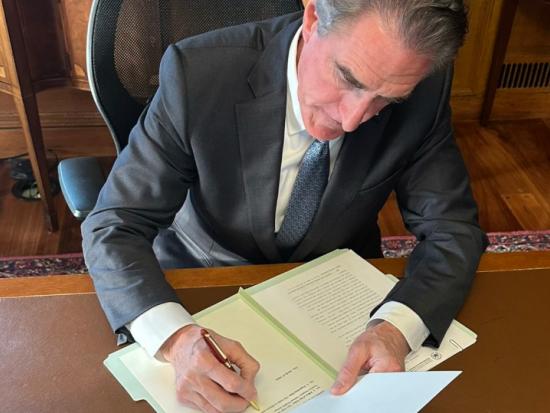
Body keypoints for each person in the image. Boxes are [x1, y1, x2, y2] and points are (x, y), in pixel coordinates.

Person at [82, 0, 487, 412]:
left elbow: (452, 229)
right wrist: (175, 340)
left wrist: (396, 330)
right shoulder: (197, 72)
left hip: (338, 294)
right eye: (346, 77)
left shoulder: (424, 90)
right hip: (205, 279)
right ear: (312, 19)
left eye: (387, 100)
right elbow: (114, 223)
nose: (351, 120)